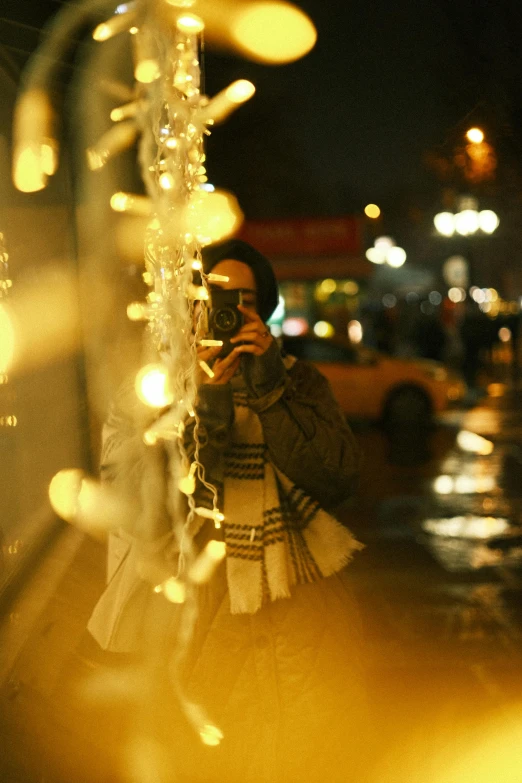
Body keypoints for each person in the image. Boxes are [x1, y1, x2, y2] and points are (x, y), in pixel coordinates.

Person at [87, 239, 369, 783]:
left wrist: (269, 391)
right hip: (199, 621)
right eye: (216, 295)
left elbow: (337, 479)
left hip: (301, 626)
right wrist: (209, 406)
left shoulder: (299, 382)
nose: (228, 309)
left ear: (262, 312)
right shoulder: (150, 394)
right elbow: (152, 511)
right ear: (190, 303)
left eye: (245, 299)